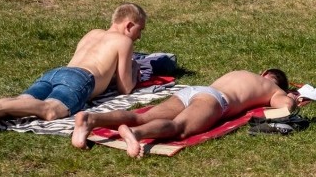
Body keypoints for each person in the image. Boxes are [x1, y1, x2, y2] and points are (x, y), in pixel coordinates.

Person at [0, 3, 147, 138]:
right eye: (140, 30)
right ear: (129, 25)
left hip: (57, 72)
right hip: (81, 78)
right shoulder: (124, 41)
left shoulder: (93, 33)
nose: (139, 36)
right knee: (50, 110)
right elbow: (125, 87)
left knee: (24, 100)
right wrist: (134, 69)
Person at [71, 68, 297, 158]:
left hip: (193, 90)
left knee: (144, 114)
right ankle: (135, 134)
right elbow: (284, 106)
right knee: (179, 128)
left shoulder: (242, 72)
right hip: (215, 100)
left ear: (264, 72)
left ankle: (90, 119)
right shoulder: (274, 89)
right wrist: (292, 98)